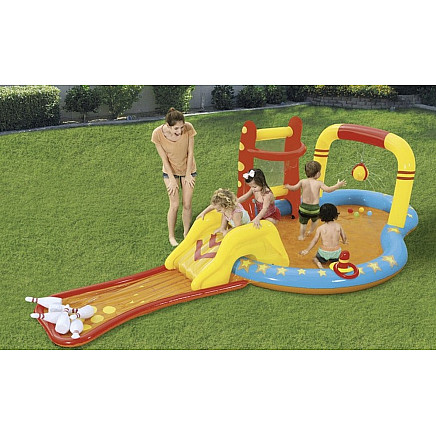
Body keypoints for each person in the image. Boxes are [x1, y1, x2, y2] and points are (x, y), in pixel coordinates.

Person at [151, 107, 197, 246]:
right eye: (176, 128)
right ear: (168, 125)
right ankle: (171, 236)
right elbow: (164, 159)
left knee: (187, 204)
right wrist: (171, 179)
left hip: (188, 169)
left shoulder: (188, 128)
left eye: (181, 127)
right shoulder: (157, 134)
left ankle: (186, 233)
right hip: (170, 171)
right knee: (175, 205)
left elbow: (190, 152)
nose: (180, 131)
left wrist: (188, 174)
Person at [284, 160, 346, 240]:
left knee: (303, 223)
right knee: (315, 221)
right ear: (317, 174)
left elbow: (294, 188)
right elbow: (328, 190)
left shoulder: (303, 181)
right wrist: (337, 185)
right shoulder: (319, 183)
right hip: (315, 209)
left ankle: (301, 236)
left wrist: (288, 186)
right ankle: (310, 231)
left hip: (304, 208)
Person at [300, 203, 348, 268]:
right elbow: (344, 237)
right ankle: (336, 262)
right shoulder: (338, 226)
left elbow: (314, 241)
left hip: (324, 252)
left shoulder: (321, 228)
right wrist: (344, 242)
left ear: (321, 215)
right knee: (337, 259)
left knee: (315, 258)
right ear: (335, 214)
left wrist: (307, 250)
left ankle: (320, 265)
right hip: (336, 252)